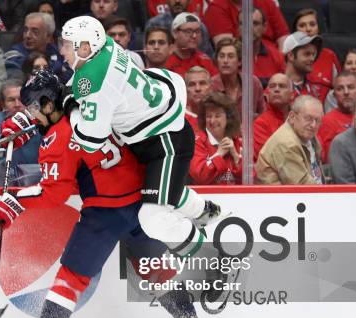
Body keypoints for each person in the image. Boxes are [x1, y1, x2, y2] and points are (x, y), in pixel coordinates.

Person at [0, 69, 211, 318]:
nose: (32, 114)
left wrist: (14, 202)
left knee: (69, 280)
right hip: (142, 201)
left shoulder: (58, 137)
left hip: (106, 212)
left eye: (34, 108)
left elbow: (56, 191)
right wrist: (33, 126)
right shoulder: (94, 106)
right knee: (157, 270)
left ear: (49, 104)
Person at [60, 16, 222, 257]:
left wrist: (69, 105)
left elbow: (90, 138)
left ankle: (210, 259)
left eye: (66, 43)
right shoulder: (105, 45)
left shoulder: (96, 82)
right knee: (158, 190)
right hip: (155, 122)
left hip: (166, 142)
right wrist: (71, 90)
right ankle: (205, 211)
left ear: (84, 48)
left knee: (152, 218)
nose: (62, 50)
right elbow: (84, 80)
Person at [256, 95, 324, 185]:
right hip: (281, 198)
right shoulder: (287, 144)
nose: (313, 125)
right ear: (292, 117)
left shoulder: (309, 137)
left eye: (317, 120)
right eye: (308, 118)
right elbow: (303, 187)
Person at [0, 79, 41, 168]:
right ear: (3, 104)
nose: (17, 104)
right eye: (11, 100)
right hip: (5, 178)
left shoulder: (40, 121)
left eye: (21, 99)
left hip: (38, 176)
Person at [190, 92, 242, 184]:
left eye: (217, 116)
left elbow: (250, 178)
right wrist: (219, 154)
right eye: (208, 116)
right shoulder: (197, 142)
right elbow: (200, 177)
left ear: (228, 118)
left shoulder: (236, 140)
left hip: (235, 197)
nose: (212, 121)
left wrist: (235, 156)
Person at [4, 13, 70, 82]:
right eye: (26, 30)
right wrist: (57, 70)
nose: (27, 35)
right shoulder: (13, 54)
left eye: (35, 31)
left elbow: (69, 75)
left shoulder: (57, 51)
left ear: (48, 37)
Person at [211, 38, 264, 118]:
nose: (225, 61)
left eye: (230, 56)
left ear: (239, 61)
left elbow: (263, 115)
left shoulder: (253, 83)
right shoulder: (210, 86)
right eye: (221, 56)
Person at [203, 0, 289, 49]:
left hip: (273, 59)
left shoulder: (267, 2)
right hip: (241, 61)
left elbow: (284, 39)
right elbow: (227, 47)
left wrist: (280, 60)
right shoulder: (216, 8)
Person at [317, 71, 356, 163]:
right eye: (340, 89)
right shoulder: (326, 121)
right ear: (334, 95)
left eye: (351, 87)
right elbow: (328, 159)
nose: (346, 92)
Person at [292, 9, 340, 90]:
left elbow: (339, 88)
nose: (308, 29)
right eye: (302, 25)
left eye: (312, 24)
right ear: (295, 31)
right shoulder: (289, 56)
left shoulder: (329, 56)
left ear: (318, 28)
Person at [145, 0, 213, 57]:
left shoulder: (199, 26)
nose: (177, 1)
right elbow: (148, 54)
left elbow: (207, 56)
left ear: (189, 1)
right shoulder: (155, 24)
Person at [253, 73, 293, 161]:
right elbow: (268, 157)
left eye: (282, 86)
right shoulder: (261, 123)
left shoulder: (300, 118)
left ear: (292, 94)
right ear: (267, 93)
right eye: (272, 86)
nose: (276, 89)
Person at [282, 31, 330, 104]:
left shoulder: (322, 88)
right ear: (291, 56)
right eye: (307, 54)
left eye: (313, 54)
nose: (312, 59)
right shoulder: (276, 88)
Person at [166, 12, 217, 77]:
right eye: (188, 31)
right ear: (175, 33)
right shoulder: (165, 60)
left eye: (197, 31)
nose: (194, 36)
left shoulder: (204, 60)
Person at [245, 8, 285, 88]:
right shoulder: (228, 56)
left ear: (265, 27)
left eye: (255, 23)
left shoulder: (277, 57)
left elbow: (284, 87)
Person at [184, 66, 211, 132]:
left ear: (210, 87)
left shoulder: (221, 116)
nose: (197, 89)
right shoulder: (180, 118)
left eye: (202, 83)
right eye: (192, 84)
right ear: (185, 89)